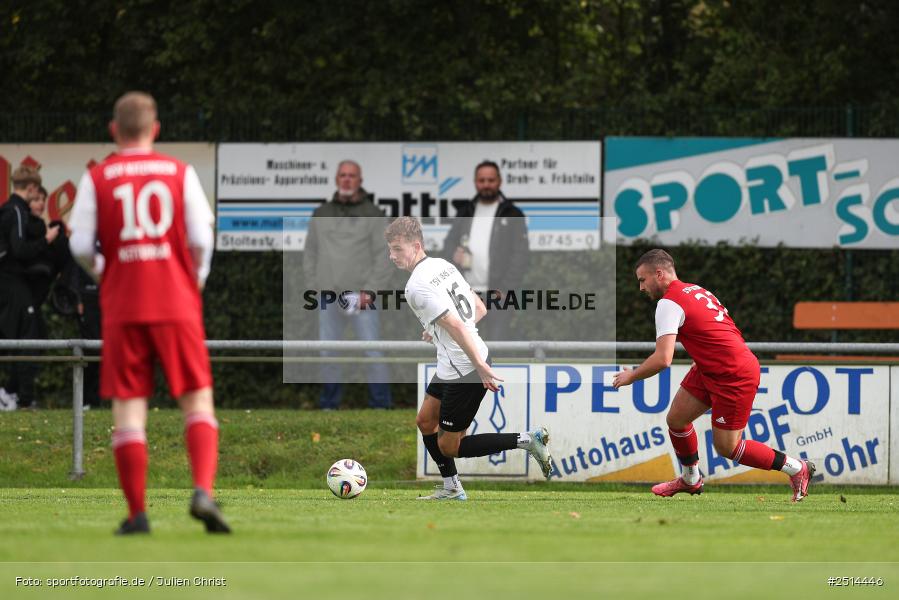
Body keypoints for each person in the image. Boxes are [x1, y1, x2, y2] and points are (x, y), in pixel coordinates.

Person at [69, 91, 228, 534]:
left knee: (129, 407)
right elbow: (202, 238)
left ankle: (137, 513)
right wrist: (195, 278)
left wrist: (105, 271)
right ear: (155, 129)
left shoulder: (98, 177)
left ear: (113, 130)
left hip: (124, 304)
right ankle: (202, 490)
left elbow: (79, 244)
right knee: (196, 397)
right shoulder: (179, 172)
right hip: (176, 301)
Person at [612, 249, 815, 502]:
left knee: (728, 447)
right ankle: (690, 479)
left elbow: (663, 359)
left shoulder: (668, 303)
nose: (641, 287)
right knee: (676, 420)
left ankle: (797, 468)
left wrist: (632, 376)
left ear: (659, 273)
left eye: (643, 280)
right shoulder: (696, 290)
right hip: (711, 367)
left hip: (733, 374)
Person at [385, 216, 553, 500]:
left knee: (450, 446)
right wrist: (437, 329)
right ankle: (451, 488)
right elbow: (479, 309)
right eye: (390, 249)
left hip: (465, 369)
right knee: (425, 421)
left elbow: (457, 325)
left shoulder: (415, 286)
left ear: (416, 246)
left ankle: (527, 440)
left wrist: (479, 366)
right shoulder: (444, 265)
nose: (392, 256)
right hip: (455, 364)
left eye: (398, 249)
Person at [303, 160, 394, 409]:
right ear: (336, 179)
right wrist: (314, 286)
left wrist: (370, 292)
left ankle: (381, 406)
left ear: (360, 181)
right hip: (327, 296)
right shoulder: (321, 213)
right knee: (328, 353)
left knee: (372, 352)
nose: (346, 179)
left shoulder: (373, 214)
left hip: (362, 297)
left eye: (352, 175)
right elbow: (310, 252)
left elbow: (384, 256)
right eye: (342, 175)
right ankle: (329, 406)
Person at [441, 160, 529, 341]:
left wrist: (506, 289)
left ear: (499, 181)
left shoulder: (512, 213)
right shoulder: (465, 212)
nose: (486, 185)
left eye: (491, 180)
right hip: (466, 294)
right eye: (482, 180)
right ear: (475, 182)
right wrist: (453, 255)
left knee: (497, 347)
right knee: (465, 348)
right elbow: (449, 243)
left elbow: (520, 255)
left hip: (499, 295)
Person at [0, 167, 60, 410]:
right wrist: (46, 241)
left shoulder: (12, 209)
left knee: (23, 336)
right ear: (32, 188)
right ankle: (19, 396)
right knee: (27, 337)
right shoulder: (16, 211)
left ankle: (12, 393)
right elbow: (19, 249)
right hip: (10, 281)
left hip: (12, 282)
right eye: (37, 192)